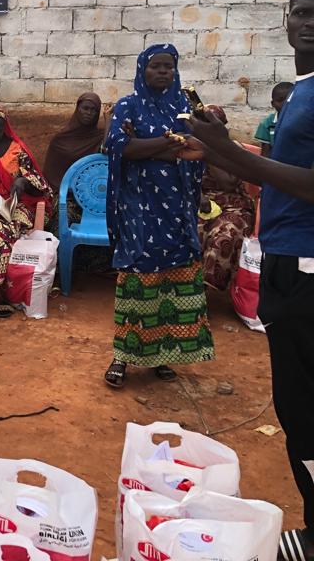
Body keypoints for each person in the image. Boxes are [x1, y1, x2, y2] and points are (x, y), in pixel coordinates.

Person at [188, 0, 314, 561]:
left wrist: (232, 154)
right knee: (298, 403)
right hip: (290, 260)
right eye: (302, 12)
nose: (309, 23)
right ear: (286, 20)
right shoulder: (301, 92)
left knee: (303, 406)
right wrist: (214, 149)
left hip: (307, 268)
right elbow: (283, 169)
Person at [103, 44, 213, 390]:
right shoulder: (128, 105)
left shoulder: (186, 108)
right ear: (142, 70)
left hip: (178, 207)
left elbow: (200, 148)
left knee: (173, 277)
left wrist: (148, 145)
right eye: (156, 66)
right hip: (139, 206)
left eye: (169, 66)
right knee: (138, 276)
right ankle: (122, 356)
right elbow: (119, 147)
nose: (163, 71)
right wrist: (169, 146)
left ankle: (163, 355)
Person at [0, 104, 55, 318]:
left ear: (5, 128)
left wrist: (22, 182)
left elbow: (40, 187)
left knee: (11, 229)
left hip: (16, 206)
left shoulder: (17, 150)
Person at [198, 105, 255, 291]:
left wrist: (208, 151)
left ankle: (206, 291)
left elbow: (228, 184)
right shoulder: (189, 147)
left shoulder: (234, 150)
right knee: (188, 231)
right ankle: (184, 286)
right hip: (201, 203)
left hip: (234, 205)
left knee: (223, 236)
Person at [43, 93, 104, 190]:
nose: (89, 113)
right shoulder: (60, 139)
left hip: (92, 192)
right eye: (85, 108)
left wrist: (109, 121)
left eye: (94, 110)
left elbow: (107, 151)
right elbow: (50, 175)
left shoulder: (100, 138)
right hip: (60, 193)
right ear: (77, 109)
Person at [254, 81, 294, 157]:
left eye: (290, 100)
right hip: (276, 162)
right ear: (273, 104)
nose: (285, 104)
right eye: (280, 100)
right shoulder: (266, 124)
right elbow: (265, 154)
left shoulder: (304, 121)